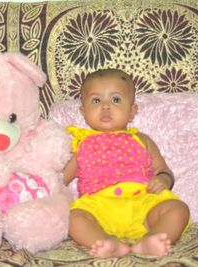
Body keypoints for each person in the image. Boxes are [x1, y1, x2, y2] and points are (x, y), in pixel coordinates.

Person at [64, 69, 190, 259]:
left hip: (143, 202)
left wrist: (163, 180)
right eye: (96, 101)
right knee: (72, 218)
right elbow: (61, 179)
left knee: (178, 209)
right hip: (99, 207)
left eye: (115, 100)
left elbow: (163, 170)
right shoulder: (81, 145)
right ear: (83, 111)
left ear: (132, 111)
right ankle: (105, 242)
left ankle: (152, 239)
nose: (106, 107)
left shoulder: (141, 139)